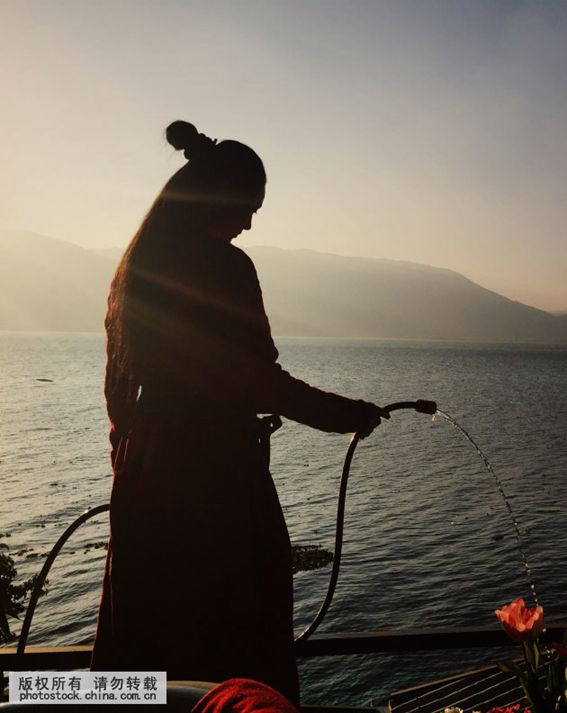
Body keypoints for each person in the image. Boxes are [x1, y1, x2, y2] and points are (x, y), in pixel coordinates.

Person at [90, 121, 387, 705]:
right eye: (249, 208)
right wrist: (348, 415)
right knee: (235, 642)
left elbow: (117, 389)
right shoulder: (228, 268)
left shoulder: (136, 269)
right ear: (222, 200)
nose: (249, 224)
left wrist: (131, 453)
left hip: (146, 478)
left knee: (147, 639)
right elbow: (257, 380)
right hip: (218, 481)